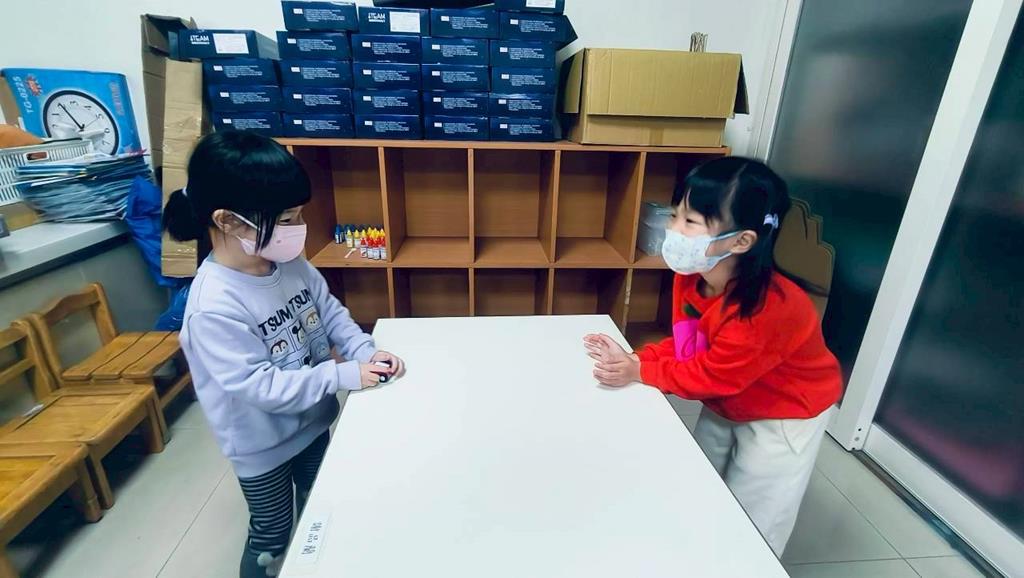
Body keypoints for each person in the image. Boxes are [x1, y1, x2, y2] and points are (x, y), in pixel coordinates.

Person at [163, 130, 406, 578]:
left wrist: (364, 349)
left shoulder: (289, 263)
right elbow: (261, 387)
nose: (297, 228)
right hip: (262, 446)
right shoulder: (213, 306)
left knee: (322, 508)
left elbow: (329, 311)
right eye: (286, 218)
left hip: (313, 420)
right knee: (272, 537)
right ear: (228, 221)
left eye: (298, 215)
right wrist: (344, 374)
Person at [583, 157, 842, 556]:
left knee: (757, 512)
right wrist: (637, 358)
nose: (673, 229)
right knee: (701, 478)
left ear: (741, 241)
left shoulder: (767, 308)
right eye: (675, 215)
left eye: (691, 222)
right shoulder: (693, 277)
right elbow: (689, 345)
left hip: (786, 410)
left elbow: (712, 375)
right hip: (731, 396)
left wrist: (640, 371)